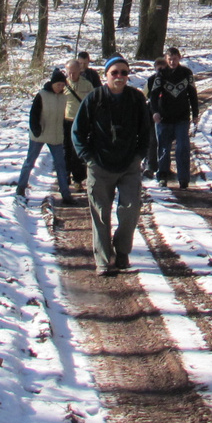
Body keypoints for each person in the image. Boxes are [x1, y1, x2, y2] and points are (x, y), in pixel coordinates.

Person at [72, 54, 154, 276]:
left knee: (130, 210)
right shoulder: (94, 98)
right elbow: (77, 131)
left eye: (124, 73)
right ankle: (102, 260)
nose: (119, 76)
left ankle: (122, 251)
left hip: (129, 166)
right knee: (100, 214)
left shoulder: (136, 99)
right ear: (106, 75)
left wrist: (139, 156)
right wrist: (88, 158)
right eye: (114, 73)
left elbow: (146, 131)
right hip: (99, 165)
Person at [17, 69, 72, 204]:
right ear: (53, 84)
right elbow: (34, 114)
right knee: (30, 162)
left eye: (62, 85)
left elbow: (63, 117)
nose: (60, 87)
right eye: (58, 85)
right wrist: (36, 129)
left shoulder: (63, 97)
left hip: (56, 136)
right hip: (39, 134)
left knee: (60, 165)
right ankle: (20, 188)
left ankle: (65, 194)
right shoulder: (41, 95)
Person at [147, 45, 199, 190]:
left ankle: (183, 179)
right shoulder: (161, 75)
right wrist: (155, 112)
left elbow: (192, 94)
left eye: (175, 59)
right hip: (164, 118)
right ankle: (162, 176)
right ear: (166, 59)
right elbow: (154, 95)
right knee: (163, 149)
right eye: (170, 59)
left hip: (182, 118)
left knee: (182, 148)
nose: (172, 62)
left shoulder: (186, 73)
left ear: (179, 58)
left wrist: (195, 113)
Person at [61, 57, 94, 197]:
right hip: (65, 121)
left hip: (80, 122)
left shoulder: (87, 85)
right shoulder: (62, 84)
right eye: (69, 72)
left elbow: (93, 101)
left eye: (74, 72)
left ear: (80, 71)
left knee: (78, 152)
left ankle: (78, 179)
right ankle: (65, 177)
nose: (72, 75)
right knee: (65, 150)